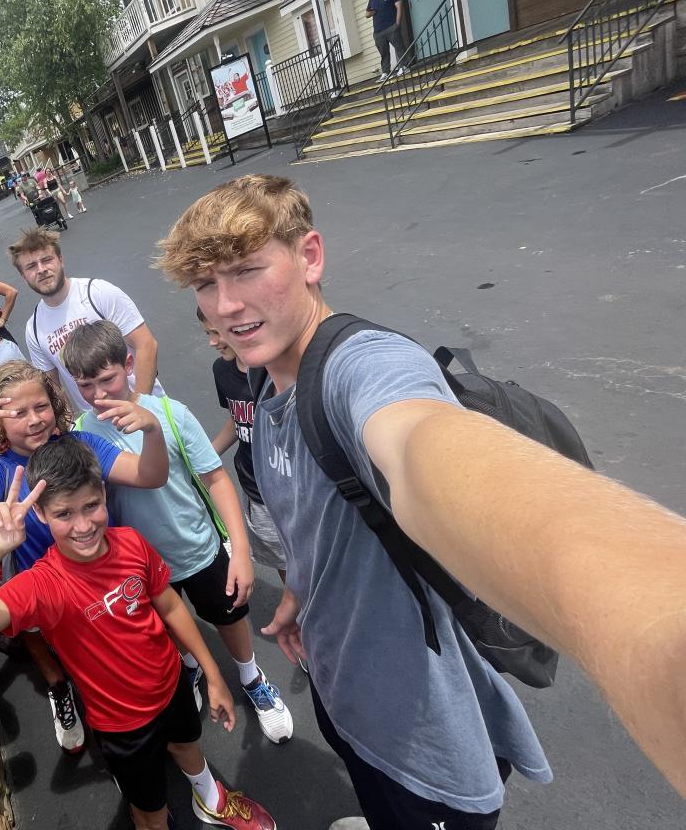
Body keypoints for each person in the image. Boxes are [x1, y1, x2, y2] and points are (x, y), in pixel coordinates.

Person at [161, 174, 561, 829]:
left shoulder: (360, 369)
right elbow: (315, 520)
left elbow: (422, 440)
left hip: (422, 742)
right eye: (206, 284)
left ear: (310, 256)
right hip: (342, 691)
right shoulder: (264, 385)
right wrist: (300, 593)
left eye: (247, 270)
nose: (226, 305)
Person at [0, 439, 277, 830]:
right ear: (40, 514)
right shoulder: (42, 586)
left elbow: (169, 605)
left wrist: (212, 673)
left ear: (104, 494)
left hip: (171, 684)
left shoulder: (130, 542)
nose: (83, 526)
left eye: (91, 506)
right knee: (150, 812)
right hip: (122, 725)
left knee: (186, 743)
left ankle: (210, 798)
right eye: (64, 513)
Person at [0, 361, 169, 754]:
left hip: (109, 574)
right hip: (49, 592)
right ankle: (69, 693)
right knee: (75, 655)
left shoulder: (82, 445)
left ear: (54, 404)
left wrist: (152, 430)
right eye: (18, 412)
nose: (34, 420)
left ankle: (161, 695)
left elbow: (149, 475)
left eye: (41, 406)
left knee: (127, 644)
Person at [62, 321, 294, 744]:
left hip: (196, 547)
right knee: (168, 624)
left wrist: (240, 551)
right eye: (84, 385)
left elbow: (216, 479)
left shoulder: (170, 414)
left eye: (106, 379)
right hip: (139, 565)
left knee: (229, 615)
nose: (97, 394)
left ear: (128, 364)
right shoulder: (82, 434)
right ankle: (189, 666)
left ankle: (250, 676)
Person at [9, 227, 162, 415]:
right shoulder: (33, 329)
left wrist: (139, 407)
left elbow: (146, 344)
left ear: (60, 260)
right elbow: (52, 388)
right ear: (23, 276)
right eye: (31, 266)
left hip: (147, 407)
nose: (41, 270)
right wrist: (71, 425)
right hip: (101, 424)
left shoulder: (98, 293)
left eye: (47, 260)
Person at [196, 307, 286, 578]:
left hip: (288, 486)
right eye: (208, 334)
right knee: (282, 562)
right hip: (255, 487)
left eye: (216, 333)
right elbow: (238, 420)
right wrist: (208, 455)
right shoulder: (222, 371)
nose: (212, 342)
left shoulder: (275, 369)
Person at [366, 0, 406, 80]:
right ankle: (385, 72)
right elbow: (367, 14)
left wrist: (397, 24)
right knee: (383, 52)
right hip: (378, 31)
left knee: (399, 47)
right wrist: (372, 12)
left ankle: (404, 66)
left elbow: (399, 7)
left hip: (391, 26)